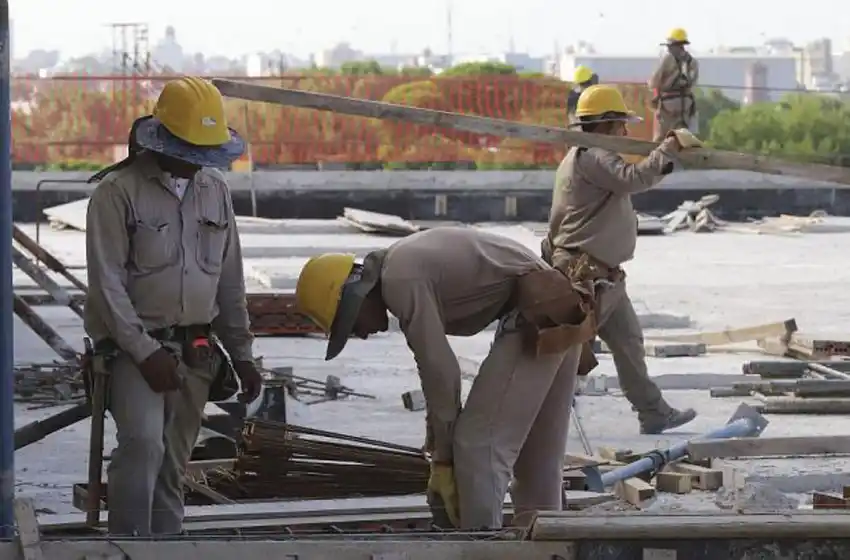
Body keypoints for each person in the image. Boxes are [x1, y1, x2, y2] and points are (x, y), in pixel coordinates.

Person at [295, 227, 596, 530]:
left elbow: (441, 371)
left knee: (479, 446)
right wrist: (438, 442)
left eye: (349, 325)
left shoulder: (400, 280)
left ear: (355, 297)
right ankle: (548, 547)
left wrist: (443, 457)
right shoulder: (401, 263)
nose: (359, 334)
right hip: (560, 308)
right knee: (536, 461)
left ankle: (481, 550)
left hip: (539, 313)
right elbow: (437, 378)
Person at [84, 76, 263, 536]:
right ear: (161, 138)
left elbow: (229, 281)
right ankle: (128, 546)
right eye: (189, 152)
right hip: (133, 349)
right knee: (142, 445)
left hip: (196, 351)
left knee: (173, 463)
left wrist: (242, 355)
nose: (196, 164)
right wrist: (145, 352)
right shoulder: (117, 193)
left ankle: (166, 544)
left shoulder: (214, 191)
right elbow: (107, 285)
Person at [542, 84, 701, 435]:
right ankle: (533, 415)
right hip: (587, 275)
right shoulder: (594, 155)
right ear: (607, 124)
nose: (626, 133)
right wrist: (668, 148)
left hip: (602, 276)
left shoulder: (579, 156)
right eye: (621, 125)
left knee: (629, 344)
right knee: (564, 353)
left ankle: (653, 412)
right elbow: (635, 178)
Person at [649, 27, 700, 141]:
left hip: (668, 104)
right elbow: (693, 84)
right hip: (687, 104)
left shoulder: (667, 59)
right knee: (683, 138)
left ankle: (657, 157)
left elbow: (654, 82)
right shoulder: (692, 61)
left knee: (661, 138)